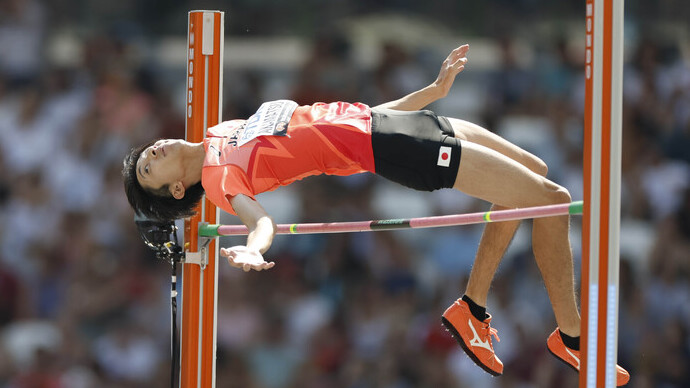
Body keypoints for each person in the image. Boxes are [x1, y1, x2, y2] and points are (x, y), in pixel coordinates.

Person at [122, 44, 630, 385]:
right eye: (150, 166)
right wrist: (253, 250)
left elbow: (343, 121)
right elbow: (261, 220)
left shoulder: (219, 132)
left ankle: (471, 309)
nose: (155, 150)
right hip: (394, 148)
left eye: (146, 151)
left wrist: (431, 92)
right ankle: (574, 338)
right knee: (553, 198)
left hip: (395, 122)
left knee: (535, 174)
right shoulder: (216, 175)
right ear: (175, 187)